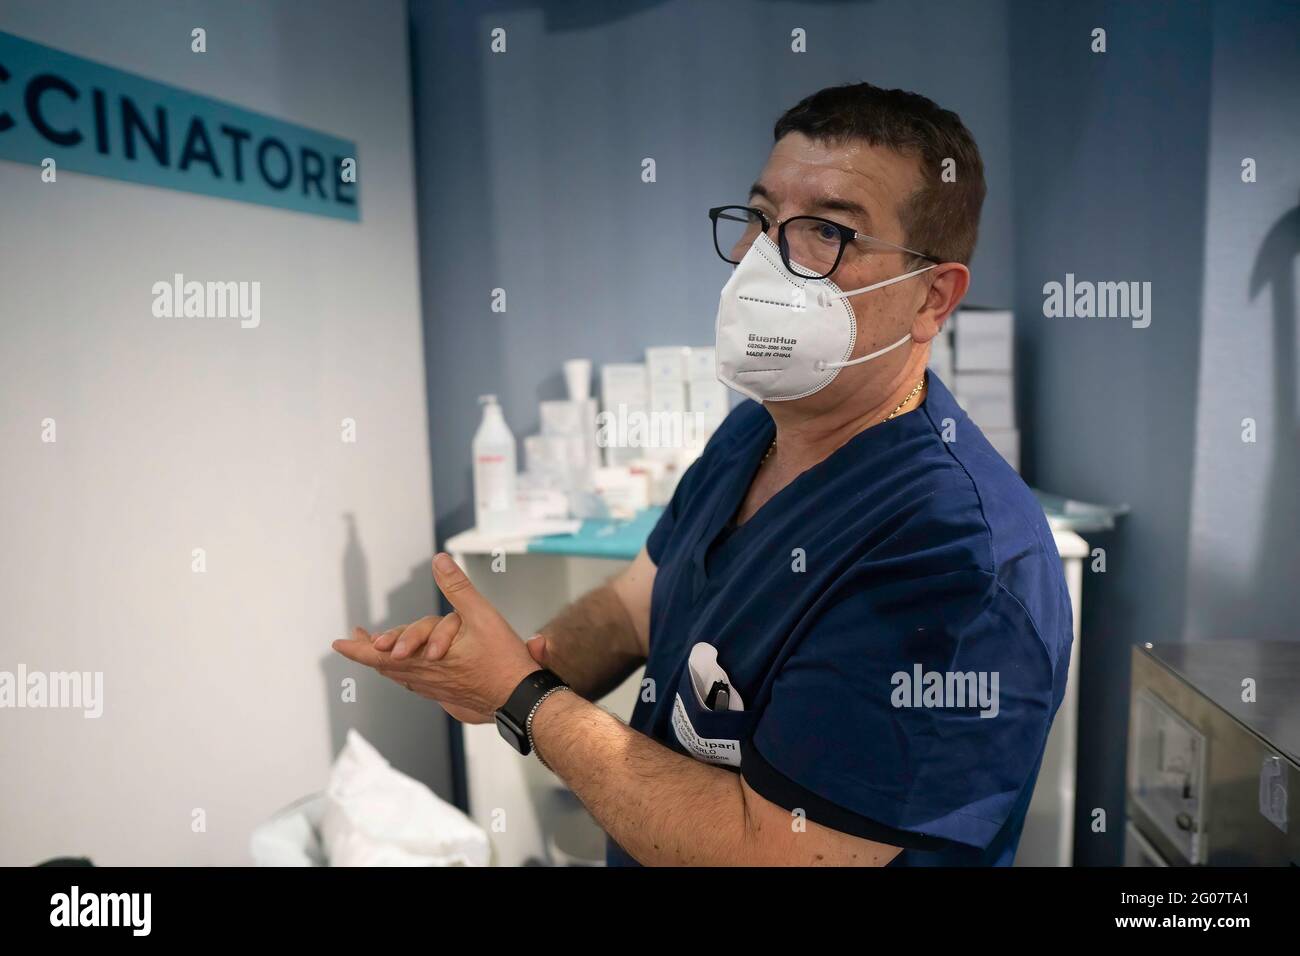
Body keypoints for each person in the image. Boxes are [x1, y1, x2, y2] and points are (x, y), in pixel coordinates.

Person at [334, 81, 1073, 866]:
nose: (766, 264)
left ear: (933, 297)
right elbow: (637, 606)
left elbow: (772, 852)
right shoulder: (756, 429)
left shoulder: (952, 557)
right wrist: (516, 660)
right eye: (760, 220)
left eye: (826, 231)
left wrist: (523, 700)